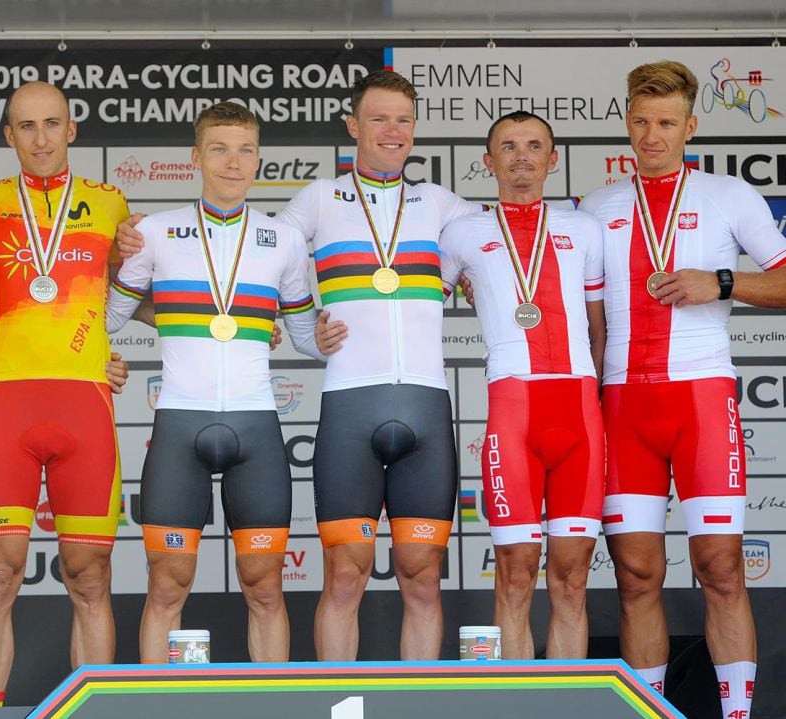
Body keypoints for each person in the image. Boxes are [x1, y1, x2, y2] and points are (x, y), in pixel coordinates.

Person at [118, 70, 482, 660]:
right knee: (344, 572)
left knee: (422, 571)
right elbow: (240, 262)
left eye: (403, 120)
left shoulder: (444, 205)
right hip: (346, 404)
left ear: (415, 130)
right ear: (353, 127)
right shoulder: (315, 200)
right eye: (378, 118)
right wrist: (132, 256)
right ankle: (331, 697)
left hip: (426, 401)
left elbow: (506, 249)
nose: (392, 131)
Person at [579, 60, 786, 719]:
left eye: (666, 122)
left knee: (721, 568)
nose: (651, 135)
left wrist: (720, 282)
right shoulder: (597, 205)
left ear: (691, 126)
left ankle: (736, 714)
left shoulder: (729, 197)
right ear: (627, 124)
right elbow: (584, 315)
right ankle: (647, 712)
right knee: (636, 577)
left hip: (700, 400)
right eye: (640, 121)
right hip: (624, 408)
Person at [105, 101, 325, 663]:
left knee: (266, 586)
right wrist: (101, 258)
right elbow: (105, 317)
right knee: (167, 585)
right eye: (220, 149)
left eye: (246, 149)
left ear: (259, 160)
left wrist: (336, 334)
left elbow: (304, 336)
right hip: (180, 424)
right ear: (196, 156)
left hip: (256, 427)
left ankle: (273, 708)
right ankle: (156, 709)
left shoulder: (285, 240)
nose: (234, 162)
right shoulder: (153, 233)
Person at [0, 81, 130, 708]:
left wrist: (114, 352)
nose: (40, 138)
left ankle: (100, 708)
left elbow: (137, 297)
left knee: (90, 578)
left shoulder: (112, 205)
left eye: (52, 123)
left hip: (86, 401)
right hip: (9, 403)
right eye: (25, 126)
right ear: (8, 136)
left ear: (72, 129)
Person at [439, 111, 606, 658]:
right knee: (514, 574)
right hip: (513, 411)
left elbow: (599, 323)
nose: (521, 157)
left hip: (579, 410)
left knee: (573, 579)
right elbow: (416, 310)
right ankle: (516, 701)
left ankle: (565, 707)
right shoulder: (462, 233)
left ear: (553, 160)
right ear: (488, 162)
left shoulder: (584, 229)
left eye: (535, 146)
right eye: (507, 147)